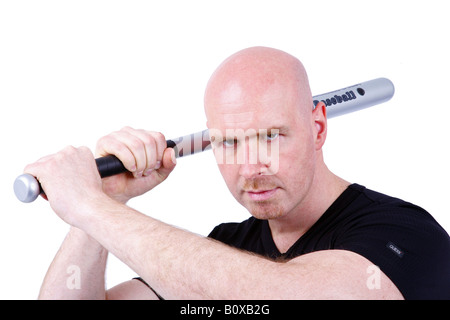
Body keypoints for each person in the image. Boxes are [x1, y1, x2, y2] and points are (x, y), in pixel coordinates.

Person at [25, 47, 450, 300]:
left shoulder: (404, 235)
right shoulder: (228, 246)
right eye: (229, 142)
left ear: (317, 128)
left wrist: (90, 207)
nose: (251, 166)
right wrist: (101, 206)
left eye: (272, 135)